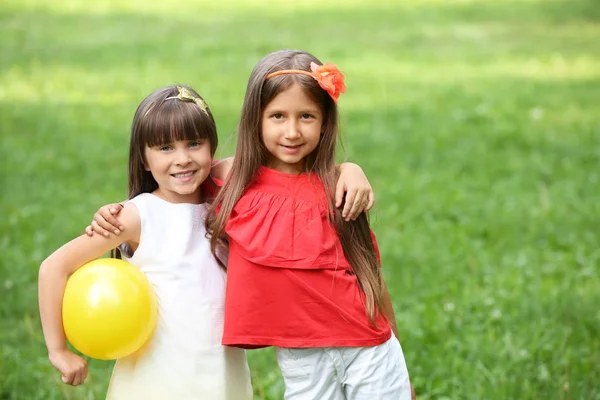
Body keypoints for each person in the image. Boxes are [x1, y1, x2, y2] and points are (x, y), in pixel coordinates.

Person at [204, 49, 414, 399]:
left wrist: (351, 168)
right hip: (301, 354)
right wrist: (120, 212)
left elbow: (370, 273)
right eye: (277, 116)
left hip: (369, 349)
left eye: (306, 116)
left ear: (324, 122)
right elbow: (171, 183)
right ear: (255, 119)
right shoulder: (231, 179)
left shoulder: (340, 189)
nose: (292, 131)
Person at [38, 85, 253, 399]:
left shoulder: (221, 204)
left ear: (211, 147)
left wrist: (349, 171)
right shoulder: (139, 216)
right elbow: (54, 267)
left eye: (194, 143)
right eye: (165, 148)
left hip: (221, 373)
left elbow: (265, 163)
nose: (183, 159)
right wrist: (58, 350)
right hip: (158, 377)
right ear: (144, 159)